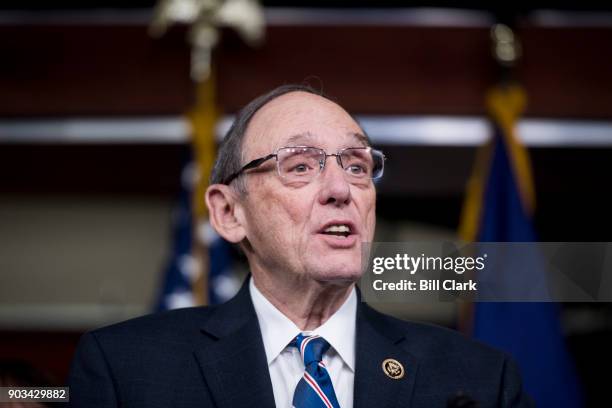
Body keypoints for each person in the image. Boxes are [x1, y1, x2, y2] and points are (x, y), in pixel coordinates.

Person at [68, 84, 532, 407]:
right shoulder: (127, 371)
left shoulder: (478, 379)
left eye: (355, 165)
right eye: (300, 166)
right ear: (229, 213)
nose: (340, 189)